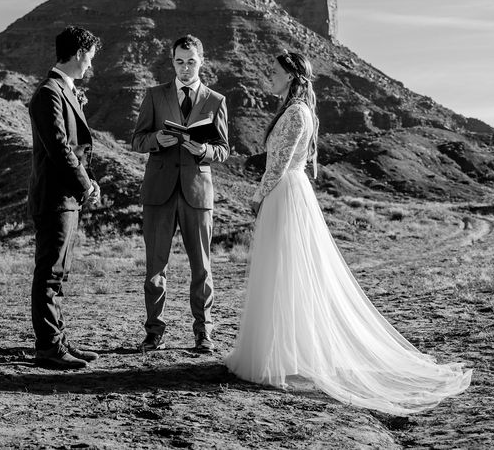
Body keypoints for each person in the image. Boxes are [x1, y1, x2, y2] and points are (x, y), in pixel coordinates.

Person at [225, 51, 472, 414]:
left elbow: (277, 165)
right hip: (289, 194)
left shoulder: (295, 113)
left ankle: (283, 356)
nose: (270, 76)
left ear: (293, 76)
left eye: (275, 71)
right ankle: (282, 353)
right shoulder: (296, 111)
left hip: (284, 194)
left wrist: (257, 197)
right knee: (284, 274)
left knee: (284, 272)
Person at [132, 35, 229, 353]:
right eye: (179, 61)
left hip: (198, 193)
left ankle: (204, 332)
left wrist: (204, 150)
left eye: (191, 61)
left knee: (202, 266)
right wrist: (158, 139)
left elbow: (224, 150)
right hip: (159, 192)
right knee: (155, 266)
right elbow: (137, 140)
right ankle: (154, 331)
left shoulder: (216, 100)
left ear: (202, 61)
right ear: (172, 61)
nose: (185, 68)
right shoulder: (154, 95)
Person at [28, 26, 102, 370]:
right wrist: (85, 185)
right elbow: (59, 147)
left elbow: (73, 148)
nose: (90, 64)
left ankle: (59, 340)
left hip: (67, 196)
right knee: (50, 273)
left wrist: (87, 182)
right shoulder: (49, 93)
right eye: (89, 56)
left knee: (60, 273)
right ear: (78, 54)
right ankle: (48, 349)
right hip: (55, 196)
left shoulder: (64, 90)